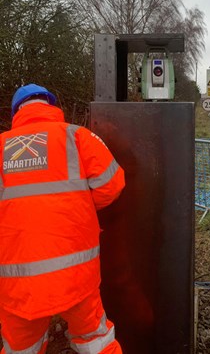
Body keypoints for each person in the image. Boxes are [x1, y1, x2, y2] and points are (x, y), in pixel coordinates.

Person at [0, 84, 125, 354]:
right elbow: (113, 184)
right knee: (97, 340)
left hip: (18, 284)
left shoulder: (0, 148)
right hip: (76, 275)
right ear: (52, 106)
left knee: (20, 349)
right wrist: (81, 205)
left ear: (15, 113)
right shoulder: (77, 137)